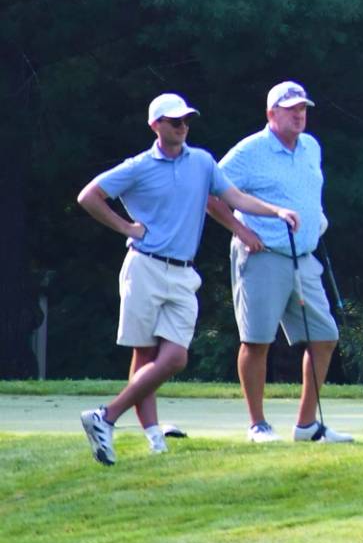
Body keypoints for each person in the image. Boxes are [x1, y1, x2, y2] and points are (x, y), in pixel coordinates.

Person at [74, 92, 300, 466]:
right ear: (156, 126)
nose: (182, 127)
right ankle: (153, 437)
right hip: (144, 265)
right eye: (174, 121)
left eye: (185, 121)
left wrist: (276, 211)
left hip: (182, 272)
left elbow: (237, 199)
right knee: (144, 353)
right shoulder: (139, 166)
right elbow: (89, 196)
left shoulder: (202, 162)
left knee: (175, 356)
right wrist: (126, 227)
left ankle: (106, 416)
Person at [207, 80, 353, 445]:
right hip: (262, 257)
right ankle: (257, 424)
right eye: (291, 110)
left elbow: (308, 193)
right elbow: (211, 194)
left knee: (325, 337)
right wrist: (241, 231)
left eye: (303, 109)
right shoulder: (250, 151)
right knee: (257, 341)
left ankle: (306, 426)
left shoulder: (311, 147)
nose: (300, 115)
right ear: (271, 114)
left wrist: (317, 218)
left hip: (304, 258)